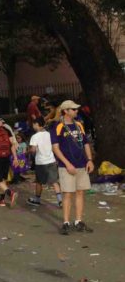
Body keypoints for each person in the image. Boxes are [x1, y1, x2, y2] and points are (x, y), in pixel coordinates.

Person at [51, 100, 95, 235]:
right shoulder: (57, 127)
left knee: (80, 192)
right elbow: (55, 148)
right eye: (74, 109)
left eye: (76, 109)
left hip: (82, 164)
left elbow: (86, 144)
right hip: (66, 166)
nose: (77, 111)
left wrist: (89, 160)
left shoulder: (79, 125)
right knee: (68, 194)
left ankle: (79, 221)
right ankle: (65, 223)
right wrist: (67, 164)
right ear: (66, 111)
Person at [28, 118, 62, 209]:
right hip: (51, 160)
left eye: (33, 124)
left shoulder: (35, 136)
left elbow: (33, 150)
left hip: (41, 162)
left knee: (39, 182)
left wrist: (29, 151)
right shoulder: (49, 134)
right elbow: (54, 147)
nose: (33, 126)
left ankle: (37, 200)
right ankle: (60, 200)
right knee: (54, 182)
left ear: (36, 124)